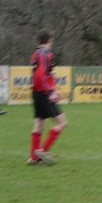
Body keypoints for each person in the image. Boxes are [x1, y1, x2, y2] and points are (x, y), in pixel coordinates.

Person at [28, 29, 68, 165]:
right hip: (45, 93)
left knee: (39, 124)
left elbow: (36, 76)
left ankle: (33, 157)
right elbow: (41, 75)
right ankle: (42, 153)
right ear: (50, 40)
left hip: (36, 93)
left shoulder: (35, 54)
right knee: (62, 123)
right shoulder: (46, 54)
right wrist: (50, 92)